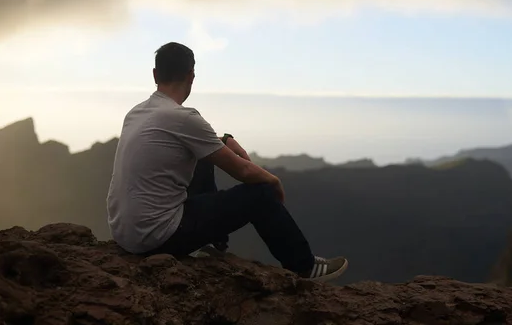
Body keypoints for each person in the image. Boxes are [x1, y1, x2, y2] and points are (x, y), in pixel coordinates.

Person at [106, 41, 348, 282]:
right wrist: (273, 181)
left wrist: (224, 139)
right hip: (157, 237)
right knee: (260, 195)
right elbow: (242, 170)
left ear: (155, 74)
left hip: (125, 234)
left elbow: (190, 141)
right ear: (191, 76)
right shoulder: (184, 117)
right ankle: (304, 266)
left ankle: (213, 244)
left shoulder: (136, 113)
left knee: (202, 158)